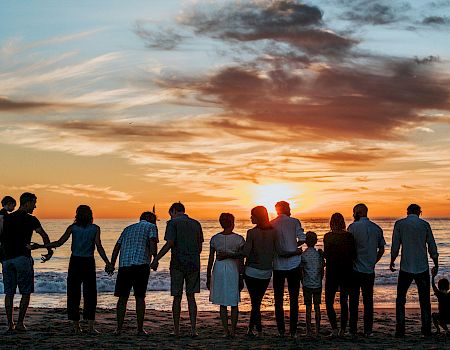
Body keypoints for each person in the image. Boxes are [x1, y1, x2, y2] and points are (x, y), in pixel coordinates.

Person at [29, 205, 112, 333]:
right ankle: (90, 326)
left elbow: (59, 243)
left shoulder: (73, 228)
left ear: (77, 215)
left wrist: (40, 246)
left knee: (73, 294)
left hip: (75, 262)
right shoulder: (95, 228)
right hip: (88, 262)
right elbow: (99, 247)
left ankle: (76, 326)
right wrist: (108, 263)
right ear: (90, 215)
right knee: (90, 294)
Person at [0, 192, 53, 332]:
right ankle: (20, 323)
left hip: (7, 259)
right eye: (34, 203)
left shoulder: (6, 218)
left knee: (9, 293)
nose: (35, 206)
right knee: (25, 292)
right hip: (22, 258)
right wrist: (49, 251)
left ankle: (10, 324)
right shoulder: (31, 219)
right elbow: (44, 235)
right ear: (27, 202)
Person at [150, 202, 203, 337]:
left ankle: (177, 330)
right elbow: (200, 247)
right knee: (191, 297)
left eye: (171, 214)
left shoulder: (172, 223)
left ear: (173, 211)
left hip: (178, 264)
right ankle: (193, 329)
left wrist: (156, 259)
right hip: (194, 263)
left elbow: (169, 243)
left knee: (177, 297)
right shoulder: (196, 223)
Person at [390, 204, 439, 337]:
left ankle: (400, 330)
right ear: (419, 212)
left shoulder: (400, 224)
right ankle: (426, 330)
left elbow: (395, 245)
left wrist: (392, 260)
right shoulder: (425, 225)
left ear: (407, 212)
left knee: (400, 299)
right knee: (424, 301)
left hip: (405, 267)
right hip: (422, 266)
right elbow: (432, 246)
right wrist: (436, 262)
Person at [109, 211, 158, 335]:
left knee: (122, 298)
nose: (155, 222)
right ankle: (140, 329)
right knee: (140, 297)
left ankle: (118, 329)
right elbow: (152, 241)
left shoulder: (127, 229)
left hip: (124, 265)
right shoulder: (151, 227)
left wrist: (111, 263)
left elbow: (117, 247)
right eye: (154, 219)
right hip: (141, 265)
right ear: (149, 219)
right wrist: (155, 258)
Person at [348, 203, 385, 338]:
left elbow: (349, 248)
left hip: (355, 269)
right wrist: (374, 261)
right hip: (369, 270)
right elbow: (381, 249)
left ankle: (352, 329)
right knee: (368, 301)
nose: (353, 215)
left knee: (353, 301)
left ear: (358, 213)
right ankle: (368, 330)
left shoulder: (352, 227)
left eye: (354, 212)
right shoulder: (377, 228)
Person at [270, 201, 305, 338]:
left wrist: (284, 249)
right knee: (294, 298)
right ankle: (293, 331)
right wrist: (293, 247)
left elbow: (271, 244)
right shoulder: (295, 222)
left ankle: (281, 331)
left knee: (278, 299)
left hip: (278, 265)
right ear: (285, 209)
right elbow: (303, 238)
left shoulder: (272, 223)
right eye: (289, 207)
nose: (290, 209)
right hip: (294, 265)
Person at [206, 213, 245, 338]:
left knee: (223, 303)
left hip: (219, 269)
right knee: (234, 302)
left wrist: (208, 276)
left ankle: (225, 331)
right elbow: (241, 259)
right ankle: (233, 330)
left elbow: (210, 259)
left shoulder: (215, 238)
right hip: (233, 269)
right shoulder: (239, 239)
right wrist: (241, 275)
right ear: (232, 223)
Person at [242, 206, 276, 337]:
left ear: (258, 217)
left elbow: (245, 252)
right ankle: (251, 329)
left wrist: (233, 252)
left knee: (255, 302)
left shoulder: (251, 233)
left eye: (252, 215)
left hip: (251, 271)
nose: (250, 218)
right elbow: (277, 250)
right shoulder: (273, 232)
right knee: (256, 302)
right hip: (266, 271)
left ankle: (259, 330)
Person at [323, 213, 356, 338]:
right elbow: (354, 255)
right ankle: (342, 330)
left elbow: (327, 255)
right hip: (347, 271)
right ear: (343, 222)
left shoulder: (328, 236)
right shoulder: (349, 236)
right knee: (344, 302)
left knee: (329, 301)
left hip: (332, 272)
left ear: (331, 223)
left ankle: (334, 329)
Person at [301, 231, 324, 337]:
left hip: (307, 284)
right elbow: (322, 269)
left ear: (305, 242)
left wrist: (302, 281)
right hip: (317, 284)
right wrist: (320, 279)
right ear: (315, 241)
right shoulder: (319, 255)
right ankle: (318, 330)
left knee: (308, 308)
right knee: (317, 307)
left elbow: (301, 271)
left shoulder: (303, 255)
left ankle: (308, 330)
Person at [0, 196, 16, 261]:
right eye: (13, 205)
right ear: (9, 204)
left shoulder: (4, 213)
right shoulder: (3, 214)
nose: (14, 208)